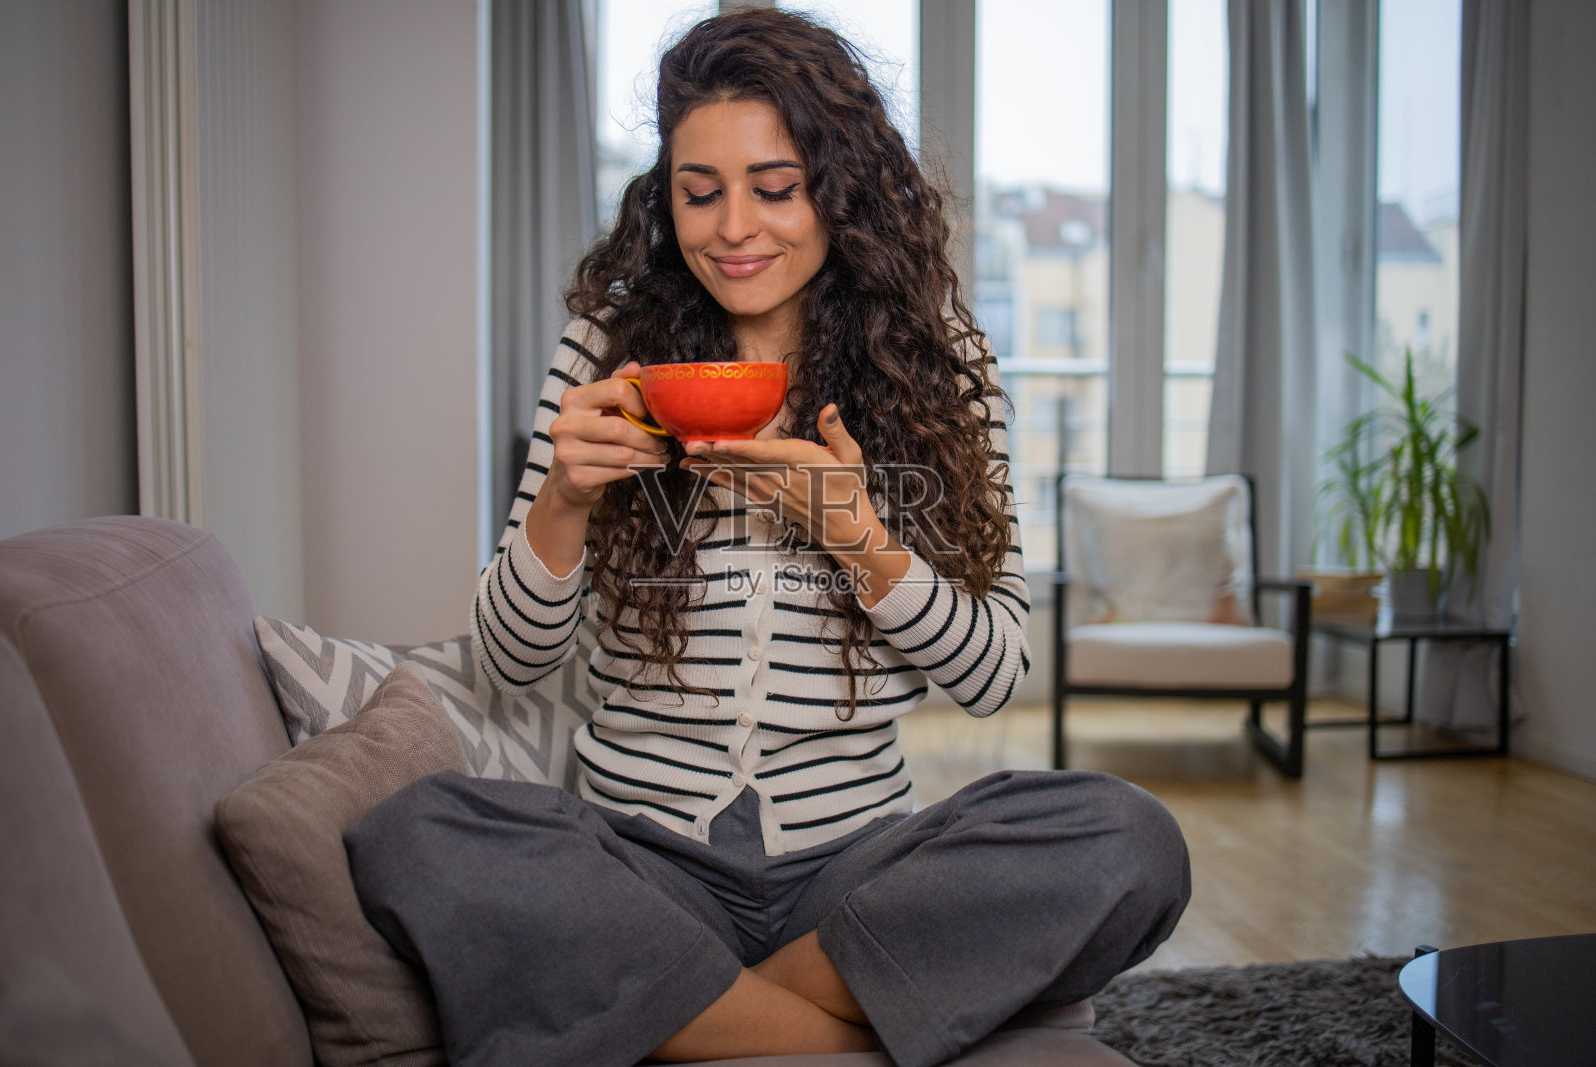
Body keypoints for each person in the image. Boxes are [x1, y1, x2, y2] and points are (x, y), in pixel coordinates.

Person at [344, 9, 1190, 1067]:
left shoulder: (940, 363)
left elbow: (995, 673)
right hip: (644, 861)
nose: (733, 228)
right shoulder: (606, 350)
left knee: (1130, 839)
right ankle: (835, 1027)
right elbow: (510, 663)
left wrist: (860, 537)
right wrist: (563, 496)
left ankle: (689, 1010)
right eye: (700, 192)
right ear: (665, 199)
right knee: (414, 834)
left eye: (775, 187)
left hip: (854, 871)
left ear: (840, 189)